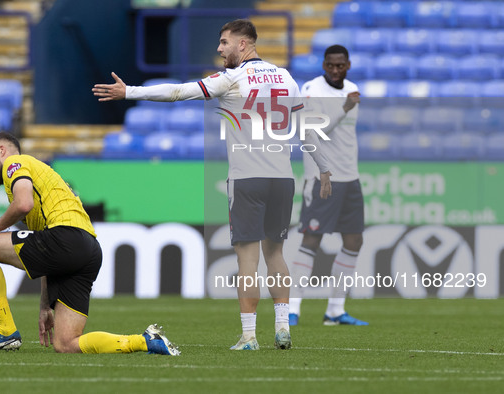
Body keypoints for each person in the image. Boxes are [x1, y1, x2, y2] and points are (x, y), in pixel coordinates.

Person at [92, 19, 332, 350]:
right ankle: (282, 327)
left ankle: (249, 336)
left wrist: (130, 91)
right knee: (275, 253)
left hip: (247, 179)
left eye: (224, 43)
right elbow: (307, 127)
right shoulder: (286, 77)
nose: (219, 49)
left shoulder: (232, 78)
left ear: (243, 45)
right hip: (282, 179)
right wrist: (324, 170)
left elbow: (178, 91)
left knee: (247, 259)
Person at [0, 131, 180, 355]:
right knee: (66, 344)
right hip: (88, 248)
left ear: (1, 150)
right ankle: (145, 341)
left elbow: (23, 204)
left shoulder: (14, 162)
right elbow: (46, 252)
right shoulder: (44, 180)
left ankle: (6, 331)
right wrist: (44, 305)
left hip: (65, 238)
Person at [288, 44, 368, 326]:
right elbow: (313, 131)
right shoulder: (312, 90)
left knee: (354, 240)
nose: (335, 70)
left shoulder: (353, 88)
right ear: (324, 66)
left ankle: (335, 310)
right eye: (331, 66)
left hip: (350, 177)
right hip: (323, 177)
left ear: (348, 65)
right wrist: (344, 107)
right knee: (312, 239)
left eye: (340, 65)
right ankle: (292, 308)